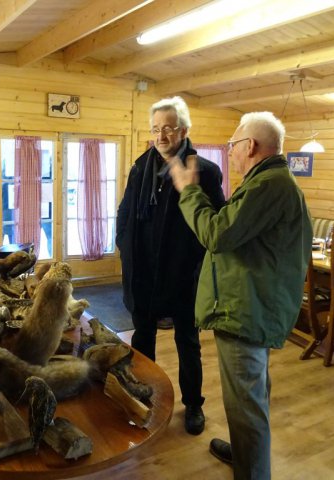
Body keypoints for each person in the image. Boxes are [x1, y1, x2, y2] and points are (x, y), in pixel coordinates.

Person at [168, 111, 312, 479]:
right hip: (250, 305)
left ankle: (252, 470)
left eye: (232, 145)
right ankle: (246, 451)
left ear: (250, 146)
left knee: (247, 403)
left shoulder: (270, 185)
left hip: (247, 311)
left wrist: (188, 191)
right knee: (248, 396)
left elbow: (217, 234)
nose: (230, 153)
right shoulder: (268, 182)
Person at [115, 96, 225, 435]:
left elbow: (216, 223)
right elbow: (126, 211)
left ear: (184, 130)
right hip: (144, 272)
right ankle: (143, 397)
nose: (161, 136)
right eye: (155, 129)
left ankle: (193, 404)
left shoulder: (203, 171)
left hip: (184, 274)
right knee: (142, 338)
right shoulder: (140, 165)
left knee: (187, 341)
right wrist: (124, 247)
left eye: (168, 128)